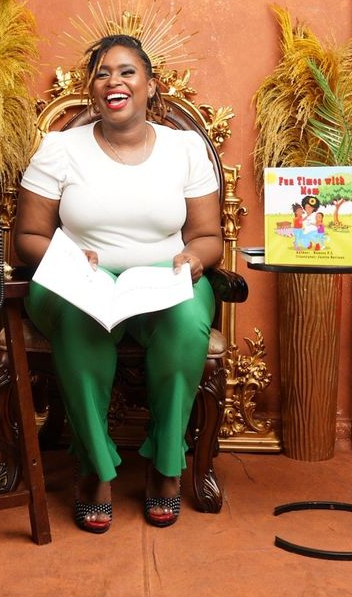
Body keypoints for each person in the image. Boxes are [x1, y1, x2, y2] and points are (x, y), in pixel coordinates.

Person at [13, 34, 223, 534]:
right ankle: (95, 471)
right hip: (79, 279)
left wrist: (193, 258)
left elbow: (209, 236)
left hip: (161, 281)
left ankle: (166, 466)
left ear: (150, 86)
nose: (115, 81)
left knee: (188, 321)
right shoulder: (60, 148)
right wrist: (65, 257)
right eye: (104, 73)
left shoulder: (185, 148)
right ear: (92, 90)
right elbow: (27, 237)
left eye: (128, 71)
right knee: (80, 319)